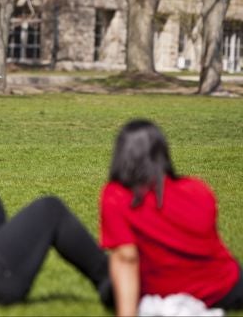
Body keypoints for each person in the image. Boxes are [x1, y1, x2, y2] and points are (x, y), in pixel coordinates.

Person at [100, 119, 242, 316]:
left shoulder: (117, 196)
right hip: (225, 286)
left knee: (107, 288)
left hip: (166, 288)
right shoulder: (199, 190)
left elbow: (126, 257)